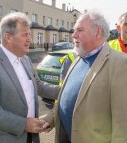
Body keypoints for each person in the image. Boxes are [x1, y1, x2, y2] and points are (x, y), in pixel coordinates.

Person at [43, 10, 127, 143]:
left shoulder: (121, 63)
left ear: (98, 32)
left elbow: (123, 125)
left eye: (80, 30)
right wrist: (50, 119)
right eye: (74, 30)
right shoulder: (77, 59)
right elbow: (66, 97)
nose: (73, 35)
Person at [0, 12, 60, 143]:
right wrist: (23, 124)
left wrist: (66, 90)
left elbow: (38, 86)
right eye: (25, 34)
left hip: (30, 138)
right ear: (8, 37)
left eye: (30, 34)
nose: (30, 39)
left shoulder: (25, 60)